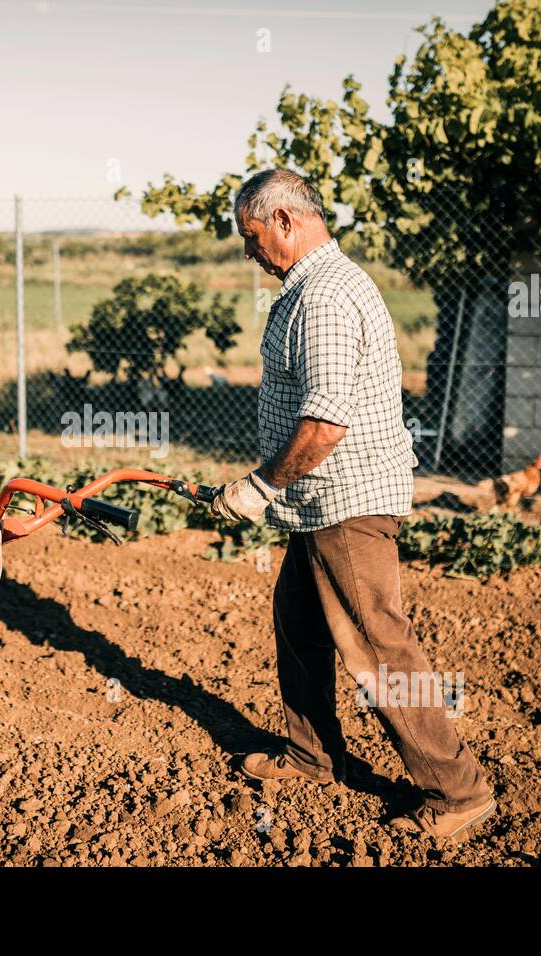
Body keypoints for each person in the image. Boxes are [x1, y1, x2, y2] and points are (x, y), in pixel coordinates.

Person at [212, 168, 495, 840]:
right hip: (319, 503)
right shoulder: (310, 287)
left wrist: (258, 487)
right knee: (299, 623)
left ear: (284, 220)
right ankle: (313, 755)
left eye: (252, 237)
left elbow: (326, 420)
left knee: (377, 645)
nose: (249, 252)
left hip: (345, 502)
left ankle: (459, 792)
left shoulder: (325, 298)